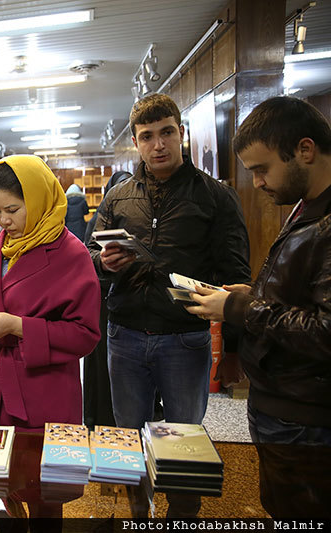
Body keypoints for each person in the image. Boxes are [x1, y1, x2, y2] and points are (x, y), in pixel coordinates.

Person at [87, 93, 251, 517]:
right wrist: (104, 263)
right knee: (129, 438)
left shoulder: (216, 197)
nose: (157, 144)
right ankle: (138, 514)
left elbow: (236, 277)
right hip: (124, 337)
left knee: (183, 441)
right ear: (136, 143)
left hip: (185, 338)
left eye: (166, 133)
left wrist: (232, 350)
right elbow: (89, 256)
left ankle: (182, 515)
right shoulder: (118, 197)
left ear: (181, 133)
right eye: (147, 136)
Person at [186, 96, 331, 516]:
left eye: (262, 169)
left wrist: (239, 308)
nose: (259, 183)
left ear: (305, 150)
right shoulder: (307, 206)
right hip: (286, 404)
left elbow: (324, 330)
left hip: (305, 415)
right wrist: (253, 294)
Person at [0, 154, 100, 521]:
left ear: (38, 199)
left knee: (44, 494)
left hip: (41, 390)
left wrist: (18, 326)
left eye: (13, 209)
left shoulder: (70, 254)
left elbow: (85, 334)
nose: (4, 221)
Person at [82, 170, 131, 429]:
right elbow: (88, 257)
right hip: (101, 302)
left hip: (126, 304)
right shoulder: (99, 220)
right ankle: (96, 420)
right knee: (101, 369)